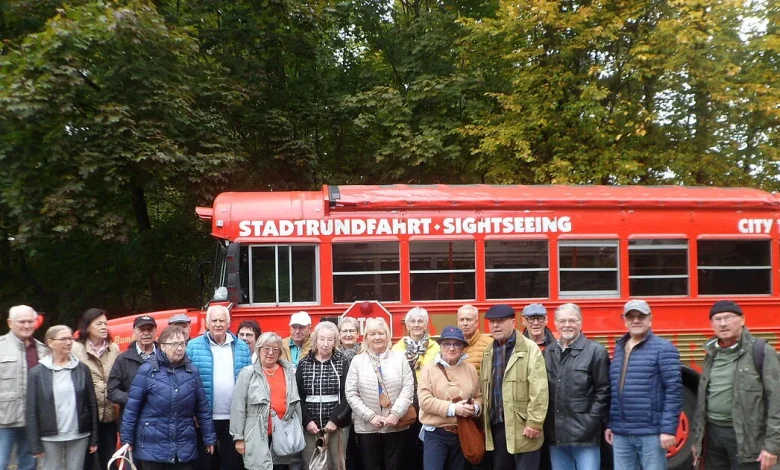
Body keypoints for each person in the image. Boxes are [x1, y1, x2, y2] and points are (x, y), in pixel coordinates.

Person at [691, 300, 780, 470]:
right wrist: (698, 440)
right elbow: (703, 400)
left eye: (729, 317)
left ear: (742, 320)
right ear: (712, 325)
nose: (723, 323)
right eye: (717, 319)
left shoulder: (761, 351)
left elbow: (777, 400)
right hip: (713, 437)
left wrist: (772, 446)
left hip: (746, 437)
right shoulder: (711, 353)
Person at [121, 325, 217, 470]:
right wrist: (127, 440)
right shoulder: (147, 371)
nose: (179, 348)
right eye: (174, 344)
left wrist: (209, 437)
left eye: (182, 343)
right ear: (162, 347)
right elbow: (132, 409)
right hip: (152, 447)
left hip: (183, 447)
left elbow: (202, 409)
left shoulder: (192, 372)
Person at [605, 299, 682, 470]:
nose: (636, 320)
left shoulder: (664, 348)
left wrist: (668, 429)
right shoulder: (620, 347)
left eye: (641, 316)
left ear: (650, 319)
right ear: (625, 321)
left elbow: (674, 391)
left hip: (650, 433)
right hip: (622, 433)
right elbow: (616, 390)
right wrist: (612, 424)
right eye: (631, 317)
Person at [480, 303, 548, 470]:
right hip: (497, 427)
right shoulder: (488, 351)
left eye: (500, 321)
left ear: (513, 322)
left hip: (523, 427)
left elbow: (539, 389)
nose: (495, 326)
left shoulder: (530, 349)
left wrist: (534, 423)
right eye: (492, 322)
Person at [543, 303, 610, 470]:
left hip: (585, 436)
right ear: (555, 324)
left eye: (572, 320)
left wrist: (590, 422)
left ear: (580, 323)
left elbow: (604, 391)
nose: (567, 325)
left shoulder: (596, 351)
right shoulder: (548, 352)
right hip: (555, 434)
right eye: (562, 321)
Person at [187, 305, 251, 470]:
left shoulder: (242, 347)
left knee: (232, 464)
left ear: (229, 323)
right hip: (203, 418)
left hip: (234, 419)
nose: (217, 324)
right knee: (205, 463)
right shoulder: (193, 347)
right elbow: (186, 382)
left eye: (221, 320)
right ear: (207, 323)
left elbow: (250, 383)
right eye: (214, 320)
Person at [346, 317, 415, 470]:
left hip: (396, 424)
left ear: (387, 335)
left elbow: (408, 388)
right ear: (366, 338)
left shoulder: (399, 358)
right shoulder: (357, 361)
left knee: (394, 466)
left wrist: (396, 413)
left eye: (381, 333)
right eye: (372, 334)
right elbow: (351, 393)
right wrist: (371, 416)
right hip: (367, 426)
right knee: (371, 466)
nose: (377, 337)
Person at [26, 325, 98, 470]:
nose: (69, 342)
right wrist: (34, 444)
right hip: (49, 435)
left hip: (79, 433)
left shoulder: (82, 369)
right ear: (50, 342)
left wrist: (94, 438)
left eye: (70, 338)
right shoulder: (37, 373)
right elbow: (31, 410)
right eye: (63, 339)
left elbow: (92, 404)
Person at [230, 332, 303, 469]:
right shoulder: (247, 374)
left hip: (284, 436)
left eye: (275, 349)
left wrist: (298, 430)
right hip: (256, 435)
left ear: (280, 352)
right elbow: (238, 407)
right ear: (258, 350)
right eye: (266, 348)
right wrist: (239, 438)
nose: (271, 353)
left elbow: (296, 404)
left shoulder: (289, 372)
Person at [418, 326, 482, 470]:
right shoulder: (428, 369)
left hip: (462, 433)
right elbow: (425, 401)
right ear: (440, 346)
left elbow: (479, 397)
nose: (451, 348)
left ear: (463, 347)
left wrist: (475, 408)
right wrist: (454, 409)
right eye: (447, 343)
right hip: (435, 433)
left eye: (457, 344)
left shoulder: (470, 369)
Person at [296, 322, 351, 470]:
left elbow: (348, 395)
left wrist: (335, 420)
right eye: (321, 339)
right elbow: (298, 396)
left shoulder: (343, 362)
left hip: (336, 426)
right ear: (315, 340)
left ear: (335, 341)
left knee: (336, 465)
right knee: (311, 465)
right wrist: (307, 421)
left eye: (330, 339)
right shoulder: (303, 364)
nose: (325, 344)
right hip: (310, 427)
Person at [71, 308, 120, 470]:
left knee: (110, 457)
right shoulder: (75, 349)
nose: (104, 327)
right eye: (99, 324)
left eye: (105, 324)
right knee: (88, 461)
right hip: (85, 415)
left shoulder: (114, 349)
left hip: (109, 414)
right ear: (87, 326)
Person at [0, 305, 47, 470]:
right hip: (3, 418)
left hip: (32, 419)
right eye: (22, 321)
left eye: (30, 321)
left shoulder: (42, 349)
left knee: (29, 463)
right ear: (10, 323)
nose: (27, 325)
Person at [108, 315, 159, 427]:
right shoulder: (123, 359)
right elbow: (112, 391)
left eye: (149, 329)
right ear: (134, 332)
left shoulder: (165, 357)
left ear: (156, 331)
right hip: (132, 421)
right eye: (142, 329)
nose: (146, 333)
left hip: (160, 422)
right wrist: (133, 398)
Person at [392, 307, 440, 379]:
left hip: (429, 389)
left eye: (420, 321)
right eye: (413, 321)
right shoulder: (397, 349)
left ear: (425, 326)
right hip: (406, 389)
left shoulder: (436, 348)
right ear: (407, 326)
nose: (416, 325)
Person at [457, 305, 492, 374]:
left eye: (468, 319)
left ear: (476, 323)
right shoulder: (452, 346)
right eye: (461, 320)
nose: (465, 323)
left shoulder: (489, 344)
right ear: (457, 322)